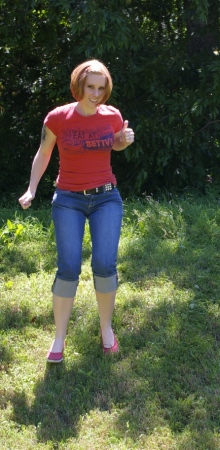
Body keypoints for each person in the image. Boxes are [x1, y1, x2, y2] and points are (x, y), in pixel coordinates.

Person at [19, 59, 135, 363]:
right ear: (79, 86)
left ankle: (106, 329)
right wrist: (32, 188)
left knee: (104, 264)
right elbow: (43, 153)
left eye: (101, 87)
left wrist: (122, 141)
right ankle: (59, 338)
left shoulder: (112, 116)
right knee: (68, 267)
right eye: (90, 87)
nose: (96, 93)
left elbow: (116, 144)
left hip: (106, 198)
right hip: (68, 199)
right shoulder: (59, 118)